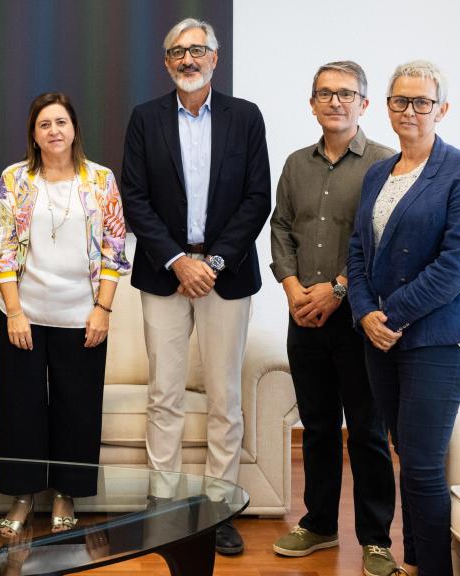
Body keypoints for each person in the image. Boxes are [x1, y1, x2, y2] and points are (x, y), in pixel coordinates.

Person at [119, 17, 270, 556]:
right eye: (178, 52)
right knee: (165, 394)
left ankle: (218, 507)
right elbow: (134, 197)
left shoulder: (245, 117)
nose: (188, 59)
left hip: (226, 278)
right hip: (164, 275)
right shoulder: (144, 119)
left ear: (215, 57)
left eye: (198, 50)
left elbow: (258, 198)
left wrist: (217, 261)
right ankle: (164, 505)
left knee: (225, 396)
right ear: (166, 62)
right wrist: (180, 260)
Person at [347, 60, 460, 575]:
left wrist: (389, 315)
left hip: (437, 337)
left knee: (425, 465)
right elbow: (359, 250)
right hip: (381, 337)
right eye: (399, 101)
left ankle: (435, 570)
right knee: (406, 457)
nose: (409, 111)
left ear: (442, 109)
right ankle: (414, 562)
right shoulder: (377, 172)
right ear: (385, 107)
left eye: (421, 102)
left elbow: (456, 265)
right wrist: (364, 312)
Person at [268, 61, 398, 574]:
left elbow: (379, 241)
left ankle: (376, 538)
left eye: (347, 94)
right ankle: (319, 524)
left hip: (358, 320)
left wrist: (337, 289)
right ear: (312, 103)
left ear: (364, 104)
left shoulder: (386, 164)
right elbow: (280, 228)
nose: (335, 102)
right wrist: (294, 287)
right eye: (325, 93)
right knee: (318, 427)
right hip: (304, 318)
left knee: (366, 429)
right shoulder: (296, 164)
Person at [0, 92, 130, 538]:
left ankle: (67, 494)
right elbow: (2, 248)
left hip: (82, 315)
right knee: (20, 407)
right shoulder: (14, 180)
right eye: (44, 124)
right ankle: (23, 494)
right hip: (21, 314)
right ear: (33, 132)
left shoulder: (100, 180)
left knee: (77, 407)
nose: (54, 131)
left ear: (74, 129)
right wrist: (14, 311)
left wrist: (103, 309)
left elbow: (114, 248)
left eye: (61, 122)